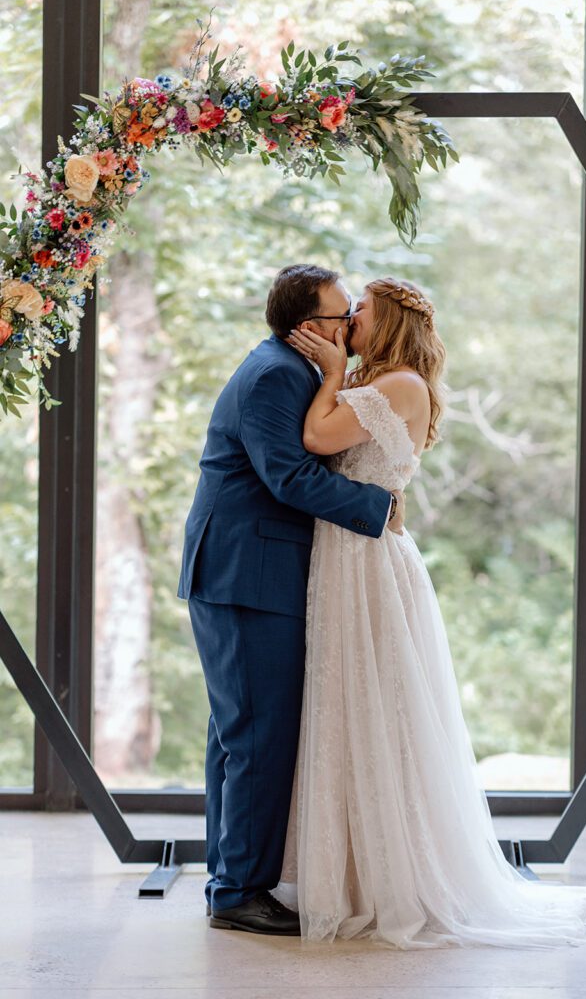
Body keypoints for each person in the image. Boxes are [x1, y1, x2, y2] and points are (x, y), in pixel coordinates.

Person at [274, 275, 586, 949]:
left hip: (366, 562)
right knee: (350, 703)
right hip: (350, 554)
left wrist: (331, 369)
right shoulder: (387, 381)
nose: (351, 318)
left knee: (376, 705)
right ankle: (355, 871)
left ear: (389, 320)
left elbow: (313, 439)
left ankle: (390, 877)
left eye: (361, 309)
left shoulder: (397, 386)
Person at [177, 264, 407, 935]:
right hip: (248, 573)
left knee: (237, 735)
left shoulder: (285, 366)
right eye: (341, 318)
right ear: (310, 326)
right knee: (257, 736)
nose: (349, 329)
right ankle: (237, 892)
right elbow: (289, 475)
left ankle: (232, 878)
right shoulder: (278, 373)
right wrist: (378, 505)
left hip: (243, 570)